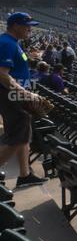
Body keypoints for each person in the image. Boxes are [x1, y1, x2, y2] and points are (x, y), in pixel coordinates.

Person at [0, 12, 48, 187]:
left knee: (23, 137)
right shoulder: (6, 43)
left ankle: (25, 174)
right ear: (15, 26)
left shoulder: (13, 43)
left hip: (16, 95)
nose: (30, 29)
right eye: (27, 25)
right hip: (12, 96)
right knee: (15, 139)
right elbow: (2, 75)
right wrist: (27, 94)